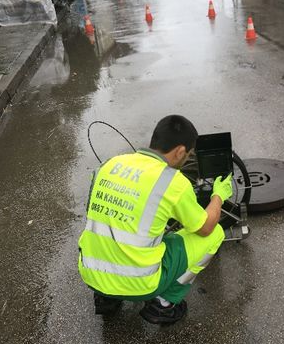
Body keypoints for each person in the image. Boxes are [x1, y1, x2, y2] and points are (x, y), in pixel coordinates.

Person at [78, 115, 232, 325]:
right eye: (187, 155)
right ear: (179, 151)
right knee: (215, 234)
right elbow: (206, 227)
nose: (186, 159)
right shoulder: (172, 181)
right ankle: (164, 304)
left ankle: (106, 299)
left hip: (91, 274)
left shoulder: (109, 164)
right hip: (140, 284)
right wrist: (218, 196)